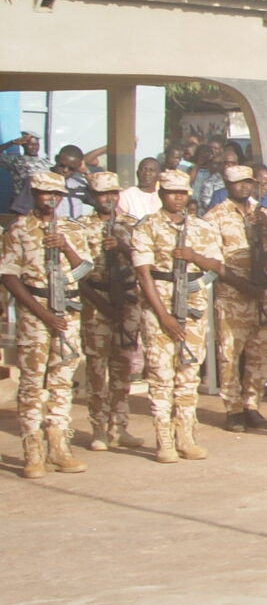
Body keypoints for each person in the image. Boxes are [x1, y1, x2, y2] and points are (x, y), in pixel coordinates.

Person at [1, 171, 91, 476]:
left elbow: (85, 270)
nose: (50, 199)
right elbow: (10, 277)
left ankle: (58, 447)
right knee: (31, 383)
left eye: (55, 194)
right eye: (43, 193)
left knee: (62, 382)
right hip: (35, 312)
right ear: (34, 194)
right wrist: (42, 313)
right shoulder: (19, 230)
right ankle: (33, 450)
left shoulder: (72, 229)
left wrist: (65, 245)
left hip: (67, 311)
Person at [129, 170, 219, 464]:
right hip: (160, 305)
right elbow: (143, 274)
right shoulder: (147, 227)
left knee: (189, 374)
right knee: (161, 375)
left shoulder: (202, 227)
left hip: (192, 305)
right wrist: (163, 315)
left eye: (183, 192)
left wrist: (194, 257)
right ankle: (164, 439)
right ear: (160, 194)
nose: (178, 198)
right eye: (171, 192)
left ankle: (186, 435)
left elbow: (216, 266)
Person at [208, 164, 267, 433]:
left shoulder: (264, 214)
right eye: (238, 183)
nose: (244, 187)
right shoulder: (214, 217)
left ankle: (252, 405)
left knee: (261, 351)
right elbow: (214, 263)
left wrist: (265, 223)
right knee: (230, 354)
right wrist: (243, 285)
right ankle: (233, 409)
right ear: (227, 186)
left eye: (248, 182)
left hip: (261, 294)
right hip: (232, 295)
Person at [75, 170, 138, 450]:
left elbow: (146, 263)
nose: (109, 199)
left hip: (126, 299)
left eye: (113, 193)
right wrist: (100, 304)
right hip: (95, 299)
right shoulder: (80, 227)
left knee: (123, 365)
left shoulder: (132, 225)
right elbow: (76, 273)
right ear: (93, 197)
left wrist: (122, 245)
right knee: (97, 367)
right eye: (102, 194)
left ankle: (119, 426)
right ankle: (99, 428)